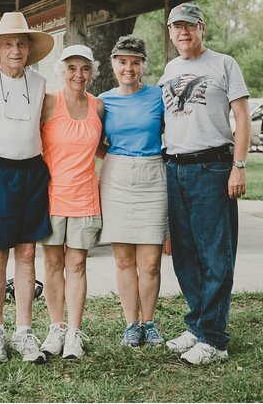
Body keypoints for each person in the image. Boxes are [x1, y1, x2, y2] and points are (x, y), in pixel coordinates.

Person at [158, 3, 249, 366]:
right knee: (185, 254)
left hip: (213, 166)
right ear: (170, 33)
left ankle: (214, 338)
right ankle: (198, 324)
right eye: (176, 27)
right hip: (175, 167)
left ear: (202, 28)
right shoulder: (170, 69)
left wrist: (238, 166)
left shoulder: (224, 64)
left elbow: (242, 116)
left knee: (215, 254)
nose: (183, 32)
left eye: (189, 26)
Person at [0, 12, 54, 365]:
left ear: (29, 48)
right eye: (9, 44)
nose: (16, 50)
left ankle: (24, 332)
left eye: (22, 43)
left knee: (27, 254)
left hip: (32, 173)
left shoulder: (40, 83)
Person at [98, 35, 168, 348]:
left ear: (143, 65)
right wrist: (116, 159)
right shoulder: (103, 101)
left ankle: (149, 323)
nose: (129, 68)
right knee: (124, 259)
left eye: (135, 62)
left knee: (151, 261)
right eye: (123, 61)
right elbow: (92, 141)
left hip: (154, 175)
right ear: (113, 64)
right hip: (116, 176)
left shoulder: (159, 96)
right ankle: (130, 324)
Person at [38, 45, 104, 360]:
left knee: (77, 264)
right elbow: (23, 133)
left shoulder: (98, 106)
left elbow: (105, 146)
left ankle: (75, 332)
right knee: (52, 264)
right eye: (72, 68)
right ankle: (57, 328)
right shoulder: (49, 102)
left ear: (92, 72)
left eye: (84, 68)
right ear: (62, 71)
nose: (78, 75)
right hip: (51, 195)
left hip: (85, 197)